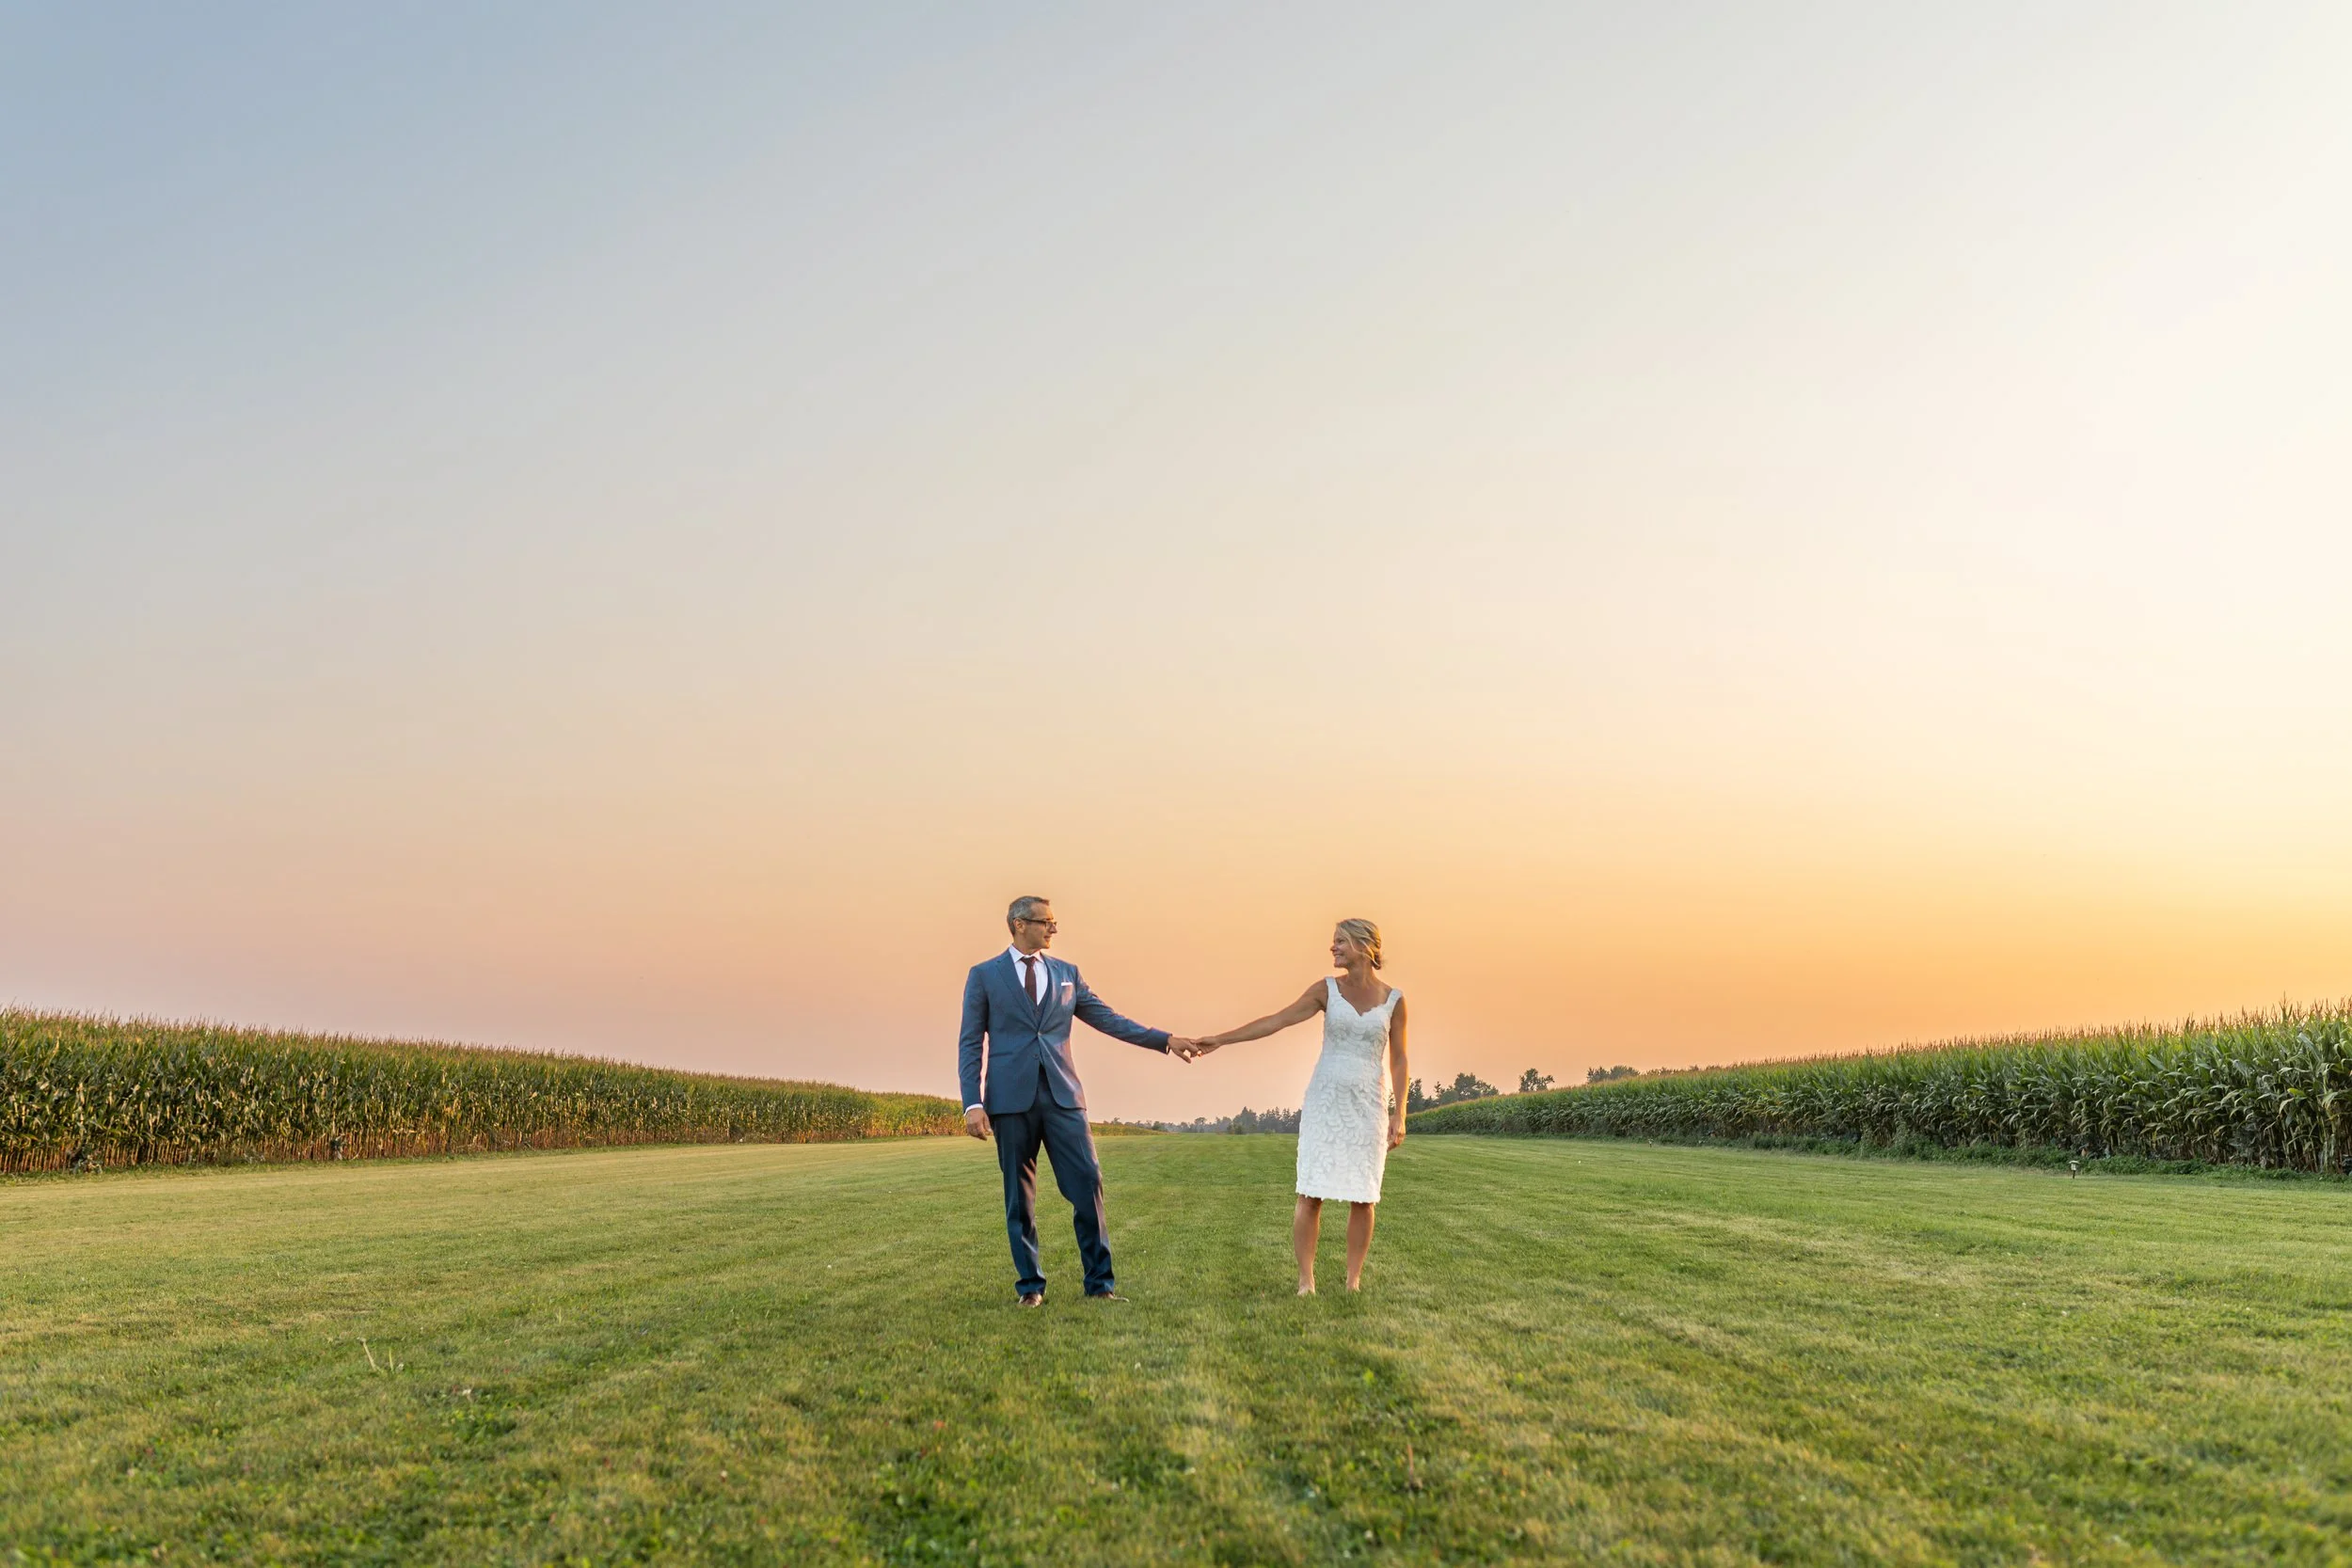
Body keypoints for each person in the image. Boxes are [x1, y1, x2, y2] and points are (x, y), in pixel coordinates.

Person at [958, 895, 1200, 1307]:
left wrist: (1164, 1040)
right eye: (1046, 922)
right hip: (1010, 1101)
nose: (1054, 929)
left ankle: (1100, 1284)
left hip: (1064, 1097)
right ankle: (1030, 1287)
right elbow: (970, 1042)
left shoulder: (1067, 974)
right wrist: (972, 1103)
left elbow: (1109, 1019)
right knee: (1020, 1198)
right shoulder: (983, 976)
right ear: (1019, 924)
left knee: (1088, 1183)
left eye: (1054, 922)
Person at [1194, 919, 1407, 1293]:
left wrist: (1399, 1112)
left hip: (1369, 1104)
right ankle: (1306, 1280)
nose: (1333, 948)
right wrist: (1221, 1039)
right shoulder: (1326, 990)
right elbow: (1277, 1021)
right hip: (1325, 1101)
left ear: (1363, 946)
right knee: (1311, 1192)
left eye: (1340, 941)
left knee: (1365, 1195)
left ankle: (1353, 1281)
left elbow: (1400, 1060)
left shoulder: (1394, 1000)